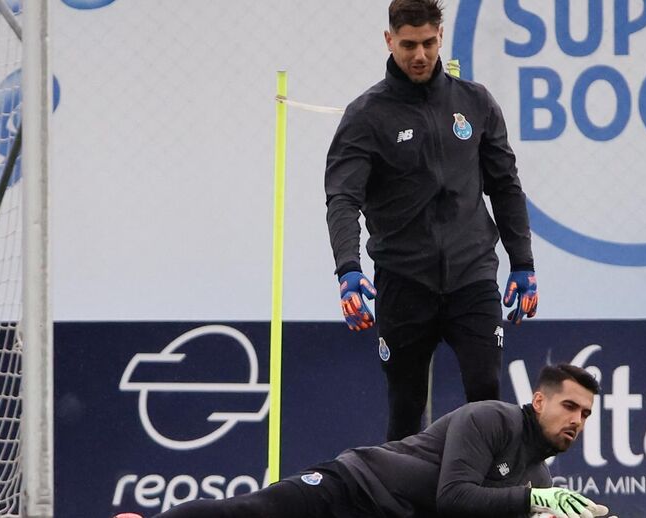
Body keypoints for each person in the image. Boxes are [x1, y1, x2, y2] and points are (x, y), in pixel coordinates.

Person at [326, 0, 539, 441]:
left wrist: (523, 263)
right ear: (389, 40)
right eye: (408, 45)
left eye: (428, 43)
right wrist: (348, 269)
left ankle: (482, 504)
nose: (419, 55)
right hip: (403, 281)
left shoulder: (475, 102)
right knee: (405, 409)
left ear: (441, 37)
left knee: (485, 397)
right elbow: (343, 198)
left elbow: (506, 187)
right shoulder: (366, 115)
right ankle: (401, 505)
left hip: (472, 276)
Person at [114, 364, 615, 518]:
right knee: (251, 512)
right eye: (569, 406)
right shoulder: (490, 419)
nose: (577, 419)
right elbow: (454, 497)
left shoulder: (538, 475)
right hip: (352, 487)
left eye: (586, 413)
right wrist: (535, 501)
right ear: (539, 401)